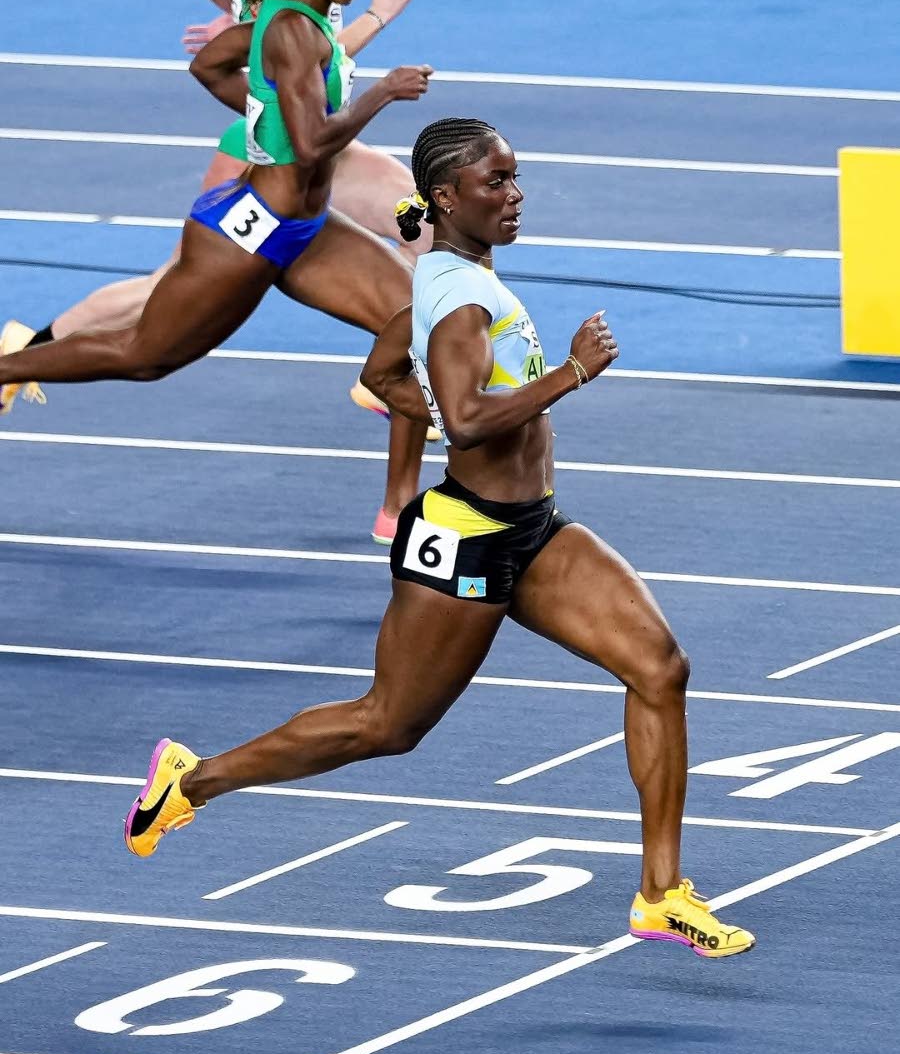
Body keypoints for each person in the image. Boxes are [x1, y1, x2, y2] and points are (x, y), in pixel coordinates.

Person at [122, 117, 755, 960]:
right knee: (387, 725)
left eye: (515, 177)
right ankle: (191, 782)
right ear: (449, 198)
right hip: (464, 540)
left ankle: (660, 894)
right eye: (496, 182)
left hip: (532, 529)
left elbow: (379, 376)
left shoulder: (451, 279)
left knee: (659, 668)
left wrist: (420, 371)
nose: (515, 193)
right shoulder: (457, 300)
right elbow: (461, 421)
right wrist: (570, 374)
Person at [0, 0, 434, 541]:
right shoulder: (289, 31)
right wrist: (381, 92)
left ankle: (398, 512)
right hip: (248, 227)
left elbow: (206, 66)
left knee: (417, 317)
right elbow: (310, 146)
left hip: (307, 230)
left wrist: (263, 107)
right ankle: (7, 367)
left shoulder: (281, 24)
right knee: (144, 355)